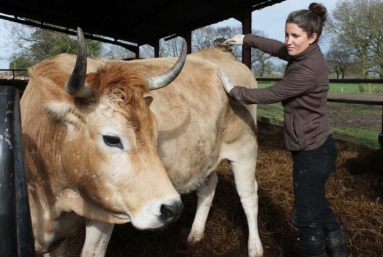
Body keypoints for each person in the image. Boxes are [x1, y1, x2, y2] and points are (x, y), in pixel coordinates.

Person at [218, 3, 348, 257]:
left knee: (305, 214)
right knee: (318, 205)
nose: (288, 41)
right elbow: (276, 48)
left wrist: (234, 91)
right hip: (316, 145)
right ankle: (338, 252)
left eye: (295, 36)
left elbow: (271, 93)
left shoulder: (307, 70)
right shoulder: (304, 53)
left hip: (312, 150)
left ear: (313, 37)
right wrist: (247, 39)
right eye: (287, 34)